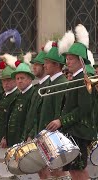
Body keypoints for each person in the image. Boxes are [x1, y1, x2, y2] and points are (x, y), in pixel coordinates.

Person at [47, 24, 95, 179]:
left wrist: (61, 121)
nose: (67, 62)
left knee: (78, 170)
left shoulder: (83, 79)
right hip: (73, 130)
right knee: (73, 171)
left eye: (71, 59)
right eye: (67, 58)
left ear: (81, 61)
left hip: (80, 130)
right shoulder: (75, 78)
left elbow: (84, 109)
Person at [38, 41, 69, 179]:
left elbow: (59, 110)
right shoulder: (51, 83)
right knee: (50, 171)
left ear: (57, 65)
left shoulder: (61, 83)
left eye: (47, 62)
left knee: (58, 171)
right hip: (47, 133)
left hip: (55, 135)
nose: (44, 65)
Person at [23, 47, 49, 142]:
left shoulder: (46, 86)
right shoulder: (37, 87)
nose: (33, 67)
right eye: (34, 64)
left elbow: (41, 114)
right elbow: (31, 114)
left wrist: (32, 134)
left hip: (38, 136)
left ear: (45, 66)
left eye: (37, 65)